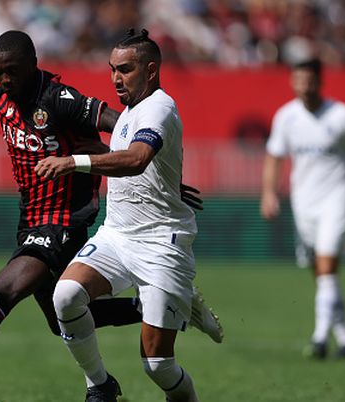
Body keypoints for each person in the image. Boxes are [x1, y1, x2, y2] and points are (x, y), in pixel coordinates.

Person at [0, 30, 221, 402]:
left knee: (1, 294)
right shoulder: (4, 99)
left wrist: (152, 166)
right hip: (34, 222)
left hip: (64, 222)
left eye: (12, 71)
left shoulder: (62, 99)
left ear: (33, 64)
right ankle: (165, 309)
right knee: (63, 316)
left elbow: (123, 127)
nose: (5, 80)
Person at [36, 29, 203, 402]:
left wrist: (72, 162)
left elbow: (137, 160)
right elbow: (131, 156)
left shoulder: (160, 107)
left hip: (162, 242)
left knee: (158, 365)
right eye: (112, 69)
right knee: (65, 296)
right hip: (117, 235)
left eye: (125, 69)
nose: (115, 78)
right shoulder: (128, 113)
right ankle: (100, 386)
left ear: (151, 69)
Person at [260, 58, 345, 359]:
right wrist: (268, 194)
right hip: (304, 203)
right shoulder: (286, 117)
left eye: (309, 79)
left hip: (336, 200)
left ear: (320, 81)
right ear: (292, 82)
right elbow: (274, 157)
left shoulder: (342, 116)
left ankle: (318, 338)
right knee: (322, 273)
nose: (304, 85)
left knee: (326, 267)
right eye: (298, 79)